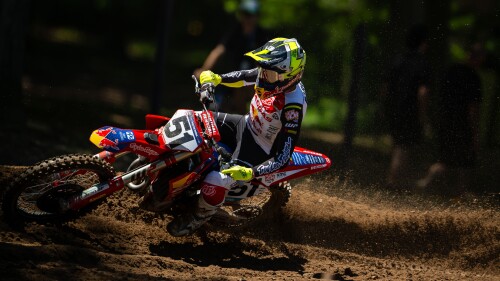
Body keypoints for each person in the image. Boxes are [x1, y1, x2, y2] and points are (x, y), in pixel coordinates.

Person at [167, 37, 307, 236]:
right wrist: (216, 78)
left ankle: (199, 216)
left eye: (271, 74)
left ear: (290, 76)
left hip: (261, 149)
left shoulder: (293, 106)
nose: (264, 77)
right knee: (193, 118)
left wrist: (250, 173)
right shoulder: (270, 76)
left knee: (216, 179)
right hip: (246, 125)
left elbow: (283, 156)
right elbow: (244, 76)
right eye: (264, 70)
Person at [417, 43, 484, 195]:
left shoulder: (451, 70)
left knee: (446, 159)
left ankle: (427, 184)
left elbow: (437, 94)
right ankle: (461, 192)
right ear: (478, 58)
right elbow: (473, 108)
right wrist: (474, 131)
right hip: (463, 125)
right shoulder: (474, 78)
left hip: (445, 121)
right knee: (465, 161)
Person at [194, 0, 270, 114]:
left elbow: (263, 60)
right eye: (245, 15)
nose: (247, 19)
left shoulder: (261, 35)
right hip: (233, 74)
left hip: (253, 77)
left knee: (243, 94)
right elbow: (219, 50)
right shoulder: (235, 31)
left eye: (250, 15)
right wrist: (204, 69)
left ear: (256, 17)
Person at [384, 25, 431, 188]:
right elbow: (423, 91)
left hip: (395, 108)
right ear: (423, 43)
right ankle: (393, 182)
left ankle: (397, 180)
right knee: (403, 147)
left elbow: (386, 86)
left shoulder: (399, 59)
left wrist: (386, 106)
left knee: (398, 144)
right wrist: (423, 115)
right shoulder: (422, 62)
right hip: (411, 110)